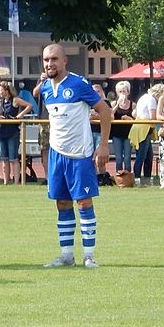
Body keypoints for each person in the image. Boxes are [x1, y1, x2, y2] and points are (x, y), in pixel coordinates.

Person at [40, 44, 111, 269]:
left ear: (64, 61)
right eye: (46, 60)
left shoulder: (78, 84)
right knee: (62, 202)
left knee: (83, 202)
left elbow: (105, 111)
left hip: (79, 154)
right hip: (56, 153)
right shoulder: (45, 88)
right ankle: (66, 256)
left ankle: (89, 256)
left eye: (54, 59)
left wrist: (103, 146)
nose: (49, 63)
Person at [0, 80, 32, 184]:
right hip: (2, 131)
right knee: (4, 158)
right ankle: (6, 181)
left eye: (1, 90)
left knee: (13, 158)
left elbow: (29, 105)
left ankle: (16, 182)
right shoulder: (0, 102)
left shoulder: (15, 100)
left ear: (7, 90)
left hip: (13, 132)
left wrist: (20, 115)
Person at [131, 83, 162, 186]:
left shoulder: (143, 97)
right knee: (142, 156)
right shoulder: (152, 100)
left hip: (140, 127)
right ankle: (137, 178)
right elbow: (153, 117)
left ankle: (146, 178)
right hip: (144, 129)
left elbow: (135, 113)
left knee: (148, 156)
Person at [110, 81, 135, 176]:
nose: (122, 94)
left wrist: (129, 118)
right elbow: (110, 115)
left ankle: (128, 177)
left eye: (124, 91)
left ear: (128, 92)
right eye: (120, 92)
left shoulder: (133, 104)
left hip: (128, 134)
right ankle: (119, 178)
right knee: (119, 158)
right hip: (117, 134)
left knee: (127, 158)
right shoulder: (113, 103)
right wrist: (117, 105)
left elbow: (136, 118)